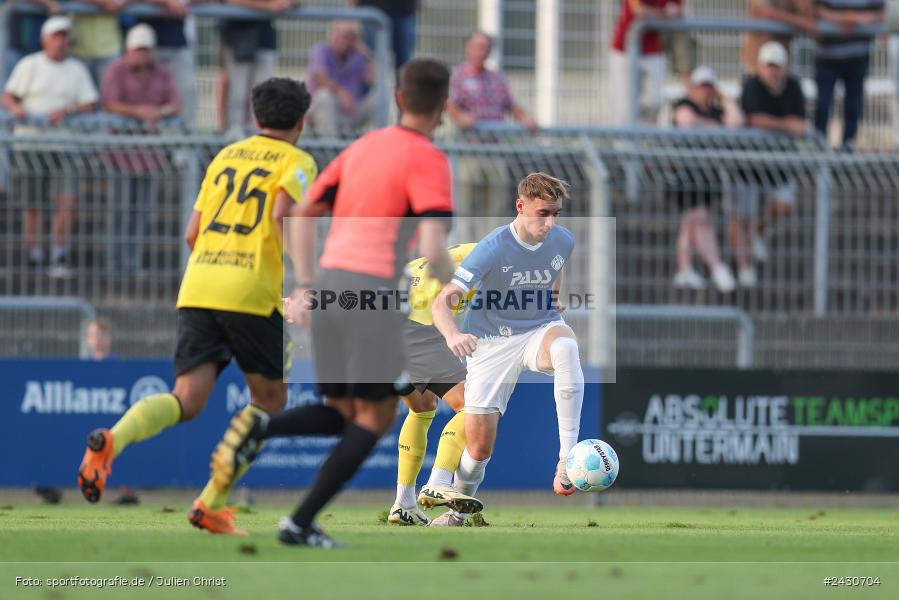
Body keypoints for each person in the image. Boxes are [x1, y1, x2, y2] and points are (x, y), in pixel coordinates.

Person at [209, 57, 457, 547]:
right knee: (376, 417)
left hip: (328, 290)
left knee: (342, 412)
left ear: (398, 99)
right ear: (443, 106)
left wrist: (306, 281)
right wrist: (451, 277)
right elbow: (431, 247)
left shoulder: (361, 148)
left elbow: (301, 215)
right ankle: (298, 520)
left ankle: (259, 430)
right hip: (372, 295)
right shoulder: (429, 159)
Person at [76, 78, 318, 539]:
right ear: (302, 122)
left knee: (185, 400)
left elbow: (192, 233)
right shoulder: (297, 160)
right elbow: (282, 213)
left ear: (254, 117)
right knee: (270, 399)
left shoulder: (226, 156)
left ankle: (112, 441)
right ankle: (211, 503)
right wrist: (305, 282)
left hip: (199, 285)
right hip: (249, 291)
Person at [417, 172, 584, 527]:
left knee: (567, 347)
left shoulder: (563, 241)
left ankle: (567, 458)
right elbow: (441, 304)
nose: (551, 223)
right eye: (543, 214)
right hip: (491, 344)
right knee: (479, 450)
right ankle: (456, 513)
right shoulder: (492, 247)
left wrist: (554, 299)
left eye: (556, 213)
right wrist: (451, 336)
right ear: (520, 206)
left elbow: (555, 267)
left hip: (539, 330)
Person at [385, 243, 480, 526]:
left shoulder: (425, 263)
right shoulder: (494, 255)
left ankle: (404, 504)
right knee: (474, 405)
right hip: (417, 330)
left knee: (423, 407)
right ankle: (438, 481)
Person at [2, 16, 98, 278]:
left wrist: (67, 110)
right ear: (45, 39)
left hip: (64, 146)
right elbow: (8, 96)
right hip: (30, 144)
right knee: (33, 204)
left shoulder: (77, 68)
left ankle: (58, 253)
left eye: (64, 36)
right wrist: (17, 109)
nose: (60, 41)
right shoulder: (29, 64)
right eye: (55, 35)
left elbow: (90, 103)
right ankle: (35, 255)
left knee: (67, 202)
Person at [736, 41, 806, 287]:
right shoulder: (751, 85)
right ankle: (745, 267)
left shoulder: (794, 87)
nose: (772, 72)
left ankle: (759, 232)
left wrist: (778, 124)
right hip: (749, 164)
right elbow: (754, 118)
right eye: (768, 67)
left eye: (777, 67)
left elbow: (801, 123)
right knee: (741, 216)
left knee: (783, 206)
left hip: (779, 163)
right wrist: (785, 126)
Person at [670, 66, 740, 292]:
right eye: (701, 86)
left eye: (710, 87)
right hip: (685, 175)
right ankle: (717, 267)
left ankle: (684, 270)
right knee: (700, 219)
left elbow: (737, 122)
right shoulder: (684, 104)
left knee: (691, 223)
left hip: (706, 176)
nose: (705, 91)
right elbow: (686, 121)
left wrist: (724, 97)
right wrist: (716, 127)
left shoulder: (716, 110)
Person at [814, 0, 885, 150]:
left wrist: (849, 19)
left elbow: (880, 13)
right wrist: (852, 18)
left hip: (858, 57)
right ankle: (819, 151)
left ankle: (847, 149)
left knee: (854, 107)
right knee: (823, 106)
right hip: (828, 57)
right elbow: (817, 10)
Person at [217, 0, 293, 135]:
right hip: (238, 37)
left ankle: (260, 133)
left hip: (265, 38)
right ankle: (234, 135)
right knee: (238, 92)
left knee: (264, 93)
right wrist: (268, 6)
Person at [609, 0, 684, 125]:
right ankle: (625, 142)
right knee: (625, 106)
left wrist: (660, 15)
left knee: (655, 101)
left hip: (653, 49)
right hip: (625, 48)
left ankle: (645, 139)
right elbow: (638, 10)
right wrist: (664, 15)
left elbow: (681, 11)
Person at [447, 31, 537, 133]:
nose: (481, 52)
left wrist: (525, 118)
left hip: (494, 144)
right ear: (468, 48)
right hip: (468, 143)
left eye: (486, 48)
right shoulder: (457, 76)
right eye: (478, 47)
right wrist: (460, 117)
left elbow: (512, 105)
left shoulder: (497, 78)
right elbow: (449, 105)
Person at [132, 0, 197, 128]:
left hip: (177, 44)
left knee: (185, 94)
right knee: (147, 98)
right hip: (145, 44)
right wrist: (167, 3)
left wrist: (183, 3)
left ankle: (186, 140)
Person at [305, 20, 375, 137]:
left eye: (349, 36)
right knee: (324, 96)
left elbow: (373, 80)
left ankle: (377, 145)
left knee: (379, 97)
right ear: (332, 35)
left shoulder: (358, 56)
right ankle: (330, 150)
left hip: (351, 111)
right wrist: (340, 93)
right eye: (340, 35)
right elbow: (320, 78)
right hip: (321, 112)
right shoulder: (321, 51)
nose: (343, 40)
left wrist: (366, 54)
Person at [102, 24, 180, 127]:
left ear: (153, 50)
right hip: (121, 136)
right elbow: (110, 104)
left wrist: (160, 112)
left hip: (154, 137)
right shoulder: (115, 70)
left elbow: (176, 105)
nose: (141, 54)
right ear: (127, 49)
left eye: (145, 49)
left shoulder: (163, 71)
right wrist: (138, 112)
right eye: (137, 49)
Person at [742, 0, 817, 75]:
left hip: (783, 63)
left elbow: (808, 13)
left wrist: (801, 21)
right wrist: (801, 22)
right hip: (757, 63)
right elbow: (766, 12)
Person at [352, 0, 420, 82]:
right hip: (372, 10)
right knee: (369, 60)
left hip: (404, 11)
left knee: (403, 61)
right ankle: (367, 93)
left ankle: (401, 93)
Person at [70, 0, 125, 87]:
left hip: (110, 48)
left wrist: (121, 3)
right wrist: (105, 3)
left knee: (109, 95)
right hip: (81, 49)